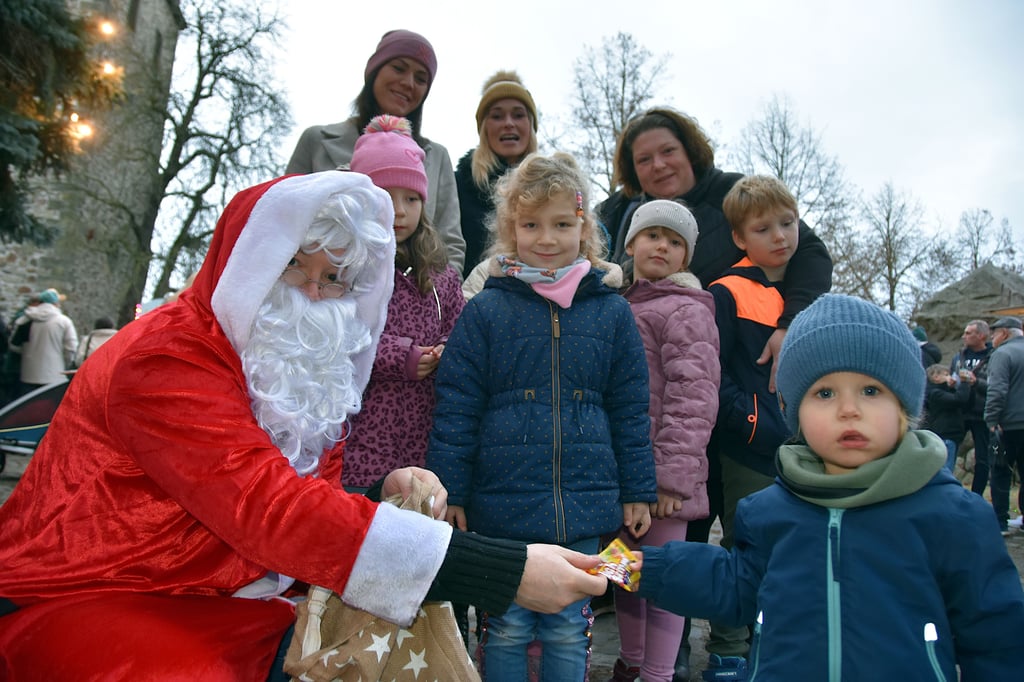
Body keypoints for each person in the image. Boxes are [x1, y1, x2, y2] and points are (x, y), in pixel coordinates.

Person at [0, 171, 609, 680]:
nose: (313, 296)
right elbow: (266, 505)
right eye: (292, 267)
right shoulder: (164, 357)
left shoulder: (303, 369)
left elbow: (299, 504)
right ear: (248, 262)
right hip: (98, 593)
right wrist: (505, 572)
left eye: (335, 279)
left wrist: (376, 495)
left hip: (237, 599)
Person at [636, 293, 1024, 680]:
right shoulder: (768, 511)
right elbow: (734, 585)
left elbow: (998, 642)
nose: (848, 409)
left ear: (905, 406)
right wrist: (628, 566)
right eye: (824, 393)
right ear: (793, 411)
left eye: (871, 391)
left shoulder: (955, 517)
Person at [426, 152, 657, 681]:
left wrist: (637, 488)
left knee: (568, 626)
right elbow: (458, 406)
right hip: (501, 506)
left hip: (584, 503)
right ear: (510, 229)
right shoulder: (485, 310)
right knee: (506, 626)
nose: (546, 238)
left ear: (584, 226)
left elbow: (629, 406)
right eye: (530, 225)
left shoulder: (611, 312)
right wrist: (453, 492)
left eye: (561, 224)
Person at [612, 200, 720, 682]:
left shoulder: (686, 310)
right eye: (653, 235)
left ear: (686, 257)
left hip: (663, 479)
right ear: (631, 243)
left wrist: (670, 477)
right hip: (618, 472)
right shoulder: (614, 304)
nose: (663, 245)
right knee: (623, 573)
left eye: (675, 241)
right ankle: (630, 661)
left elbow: (694, 396)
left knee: (663, 580)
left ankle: (657, 674)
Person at [699, 175, 798, 677]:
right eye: (764, 228)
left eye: (788, 223)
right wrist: (752, 423)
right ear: (740, 237)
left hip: (798, 445)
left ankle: (770, 643)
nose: (780, 236)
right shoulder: (727, 290)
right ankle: (727, 649)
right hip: (747, 446)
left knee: (789, 546)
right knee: (745, 542)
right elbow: (711, 371)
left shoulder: (801, 290)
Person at [342, 115, 465, 489]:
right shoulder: (346, 268)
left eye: (410, 198)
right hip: (360, 440)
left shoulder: (441, 274)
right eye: (386, 197)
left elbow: (461, 331)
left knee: (414, 533)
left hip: (422, 440)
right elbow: (343, 337)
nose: (399, 210)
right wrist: (402, 356)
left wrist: (446, 352)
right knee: (362, 527)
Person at [286, 30, 465, 271]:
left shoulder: (436, 157)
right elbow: (284, 218)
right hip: (322, 291)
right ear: (374, 71)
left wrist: (438, 299)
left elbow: (450, 244)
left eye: (421, 78)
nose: (408, 83)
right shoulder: (316, 141)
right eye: (399, 68)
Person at [456, 70, 538, 279]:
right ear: (483, 127)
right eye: (497, 116)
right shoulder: (459, 186)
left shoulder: (552, 186)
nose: (508, 123)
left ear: (531, 125)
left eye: (518, 115)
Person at [984, 316, 1024, 536]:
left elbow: (997, 390)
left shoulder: (1002, 354)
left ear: (1005, 333)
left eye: (995, 333)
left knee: (1000, 471)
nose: (992, 338)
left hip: (1008, 425)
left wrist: (991, 419)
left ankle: (1000, 521)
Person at [949, 319, 994, 495]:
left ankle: (977, 495)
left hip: (982, 412)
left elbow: (997, 386)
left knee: (982, 458)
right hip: (959, 411)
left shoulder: (994, 357)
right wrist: (950, 382)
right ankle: (948, 492)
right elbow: (951, 373)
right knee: (948, 451)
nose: (964, 336)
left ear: (981, 335)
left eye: (968, 333)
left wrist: (976, 383)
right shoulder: (958, 357)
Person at [7, 288, 77, 395]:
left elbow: (14, 346)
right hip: (55, 375)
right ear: (55, 303)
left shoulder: (24, 320)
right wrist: (66, 365)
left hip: (28, 374)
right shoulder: (64, 321)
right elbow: (71, 348)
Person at [922, 363, 970, 470]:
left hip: (952, 436)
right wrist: (964, 382)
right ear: (936, 377)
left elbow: (965, 402)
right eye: (946, 374)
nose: (950, 377)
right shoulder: (935, 393)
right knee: (946, 470)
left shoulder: (946, 391)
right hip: (945, 436)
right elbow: (959, 400)